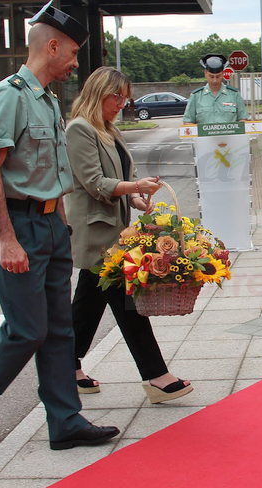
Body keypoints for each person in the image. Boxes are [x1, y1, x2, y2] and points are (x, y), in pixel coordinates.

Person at [0, 1, 120, 451]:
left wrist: (61, 223)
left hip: (52, 227)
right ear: (52, 46)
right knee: (27, 329)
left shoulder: (48, 100)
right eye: (71, 54)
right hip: (19, 229)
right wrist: (7, 239)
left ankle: (66, 421)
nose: (74, 64)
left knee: (59, 330)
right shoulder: (8, 96)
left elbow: (49, 172)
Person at [65, 67, 194, 404]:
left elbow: (124, 178)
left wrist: (137, 198)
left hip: (114, 232)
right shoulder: (80, 129)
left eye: (126, 97)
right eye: (116, 96)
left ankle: (66, 365)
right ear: (98, 93)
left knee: (88, 305)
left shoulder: (109, 129)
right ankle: (156, 376)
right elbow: (95, 183)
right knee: (126, 304)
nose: (122, 103)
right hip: (98, 233)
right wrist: (134, 187)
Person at [183, 53, 250, 124]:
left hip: (228, 135)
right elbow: (188, 121)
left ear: (223, 73)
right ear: (205, 73)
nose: (214, 81)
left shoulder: (234, 94)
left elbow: (243, 119)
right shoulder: (196, 96)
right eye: (211, 77)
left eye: (218, 76)